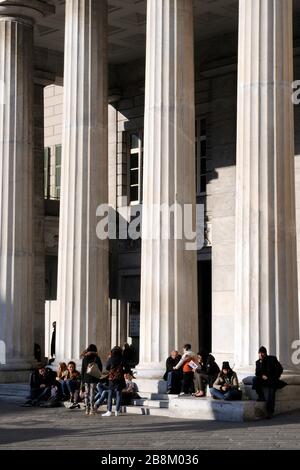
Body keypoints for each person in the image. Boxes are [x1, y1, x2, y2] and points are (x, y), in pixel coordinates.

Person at [252, 346, 287, 418]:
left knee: (271, 393)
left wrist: (272, 377)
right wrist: (262, 376)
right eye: (259, 353)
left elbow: (280, 369)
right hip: (264, 380)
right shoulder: (258, 362)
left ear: (265, 353)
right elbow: (257, 373)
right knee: (255, 379)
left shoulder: (272, 359)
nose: (261, 355)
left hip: (272, 380)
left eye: (262, 353)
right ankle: (261, 397)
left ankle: (270, 412)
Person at [95, 346, 128, 417]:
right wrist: (122, 371)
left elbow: (107, 367)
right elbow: (127, 368)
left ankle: (109, 411)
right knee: (119, 394)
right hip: (120, 378)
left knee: (110, 394)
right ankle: (117, 411)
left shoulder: (111, 358)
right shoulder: (122, 359)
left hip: (112, 378)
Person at [81, 344, 102, 415]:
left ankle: (87, 409)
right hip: (93, 377)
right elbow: (100, 368)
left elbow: (83, 369)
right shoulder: (97, 357)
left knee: (87, 394)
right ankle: (92, 409)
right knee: (92, 393)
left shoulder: (85, 357)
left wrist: (82, 379)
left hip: (86, 378)